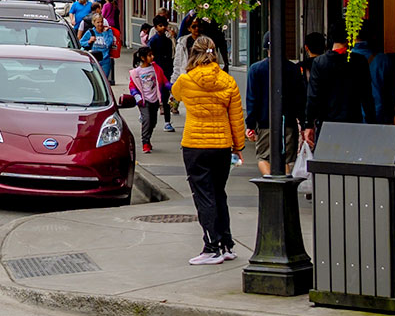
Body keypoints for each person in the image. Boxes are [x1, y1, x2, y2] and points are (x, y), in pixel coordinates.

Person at [169, 35, 244, 266]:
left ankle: (211, 246)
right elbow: (236, 117)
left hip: (195, 144)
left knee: (204, 196)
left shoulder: (186, 80)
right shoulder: (228, 81)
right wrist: (238, 146)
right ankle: (226, 244)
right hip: (221, 145)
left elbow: (175, 94)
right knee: (219, 193)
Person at [244, 38, 305, 176]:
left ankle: (270, 186)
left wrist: (251, 125)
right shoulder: (293, 69)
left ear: (266, 49)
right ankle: (285, 188)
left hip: (265, 122)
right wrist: (303, 122)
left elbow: (252, 99)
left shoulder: (255, 69)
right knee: (287, 159)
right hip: (288, 122)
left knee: (263, 157)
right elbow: (300, 99)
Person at [302, 32, 365, 151]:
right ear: (349, 39)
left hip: (327, 122)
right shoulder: (359, 61)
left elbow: (313, 96)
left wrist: (309, 124)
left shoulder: (320, 62)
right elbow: (366, 94)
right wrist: (371, 121)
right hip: (353, 120)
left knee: (328, 159)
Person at [127, 46, 164, 155]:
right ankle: (145, 142)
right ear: (143, 58)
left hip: (154, 99)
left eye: (152, 55)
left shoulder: (155, 68)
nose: (152, 57)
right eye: (149, 55)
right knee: (146, 120)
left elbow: (163, 80)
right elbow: (132, 86)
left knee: (153, 121)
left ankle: (148, 138)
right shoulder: (136, 72)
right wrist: (136, 96)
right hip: (144, 100)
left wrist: (169, 86)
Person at [148, 16, 177, 133]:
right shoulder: (153, 41)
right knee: (152, 96)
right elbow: (149, 57)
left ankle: (167, 122)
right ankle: (148, 117)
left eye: (164, 25)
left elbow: (170, 57)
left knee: (164, 97)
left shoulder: (168, 41)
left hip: (165, 71)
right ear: (155, 27)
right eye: (160, 26)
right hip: (155, 71)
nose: (163, 28)